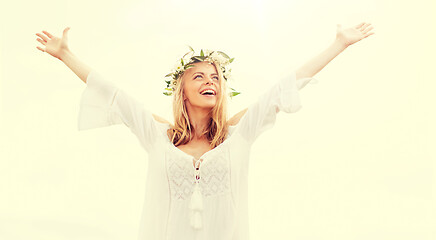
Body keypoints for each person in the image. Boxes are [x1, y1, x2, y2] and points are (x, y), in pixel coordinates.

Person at [35, 22, 374, 240]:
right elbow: (113, 94)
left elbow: (285, 85)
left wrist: (339, 45)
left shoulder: (239, 134)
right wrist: (66, 55)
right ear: (181, 89)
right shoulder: (157, 136)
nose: (209, 81)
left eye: (215, 77)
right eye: (198, 76)